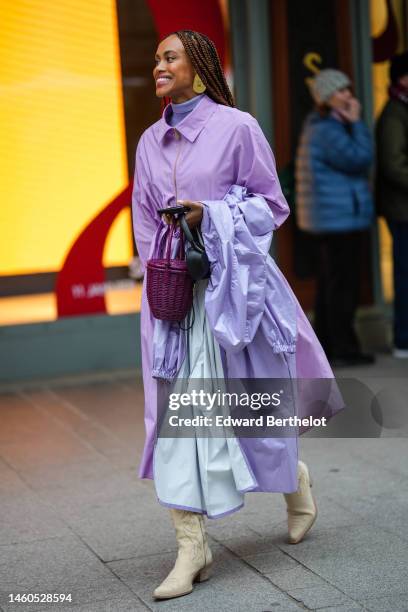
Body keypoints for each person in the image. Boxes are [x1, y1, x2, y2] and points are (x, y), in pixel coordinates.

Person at [132, 31, 341, 601]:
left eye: (169, 57)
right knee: (177, 418)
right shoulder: (150, 141)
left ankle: (293, 480)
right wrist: (160, 289)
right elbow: (146, 223)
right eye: (155, 59)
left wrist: (212, 216)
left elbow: (273, 205)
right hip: (179, 303)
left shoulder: (238, 126)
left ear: (198, 68)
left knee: (251, 409)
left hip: (236, 292)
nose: (158, 66)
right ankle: (191, 545)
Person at [295, 69, 375, 367]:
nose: (349, 95)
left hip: (333, 218)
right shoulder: (329, 129)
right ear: (327, 98)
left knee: (332, 284)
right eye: (341, 91)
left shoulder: (323, 126)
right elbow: (360, 158)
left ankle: (328, 345)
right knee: (342, 286)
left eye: (347, 89)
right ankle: (343, 348)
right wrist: (358, 124)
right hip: (336, 220)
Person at [376, 51, 408, 359]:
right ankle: (403, 338)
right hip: (402, 209)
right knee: (404, 273)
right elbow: (392, 163)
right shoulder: (395, 113)